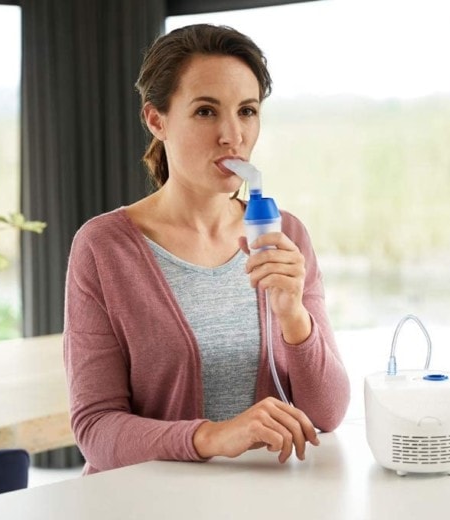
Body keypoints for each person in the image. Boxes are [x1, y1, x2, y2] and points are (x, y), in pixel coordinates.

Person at [63, 23, 350, 475]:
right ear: (156, 120)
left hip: (262, 503)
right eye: (205, 112)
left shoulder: (286, 234)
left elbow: (328, 414)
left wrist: (295, 318)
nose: (232, 135)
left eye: (248, 111)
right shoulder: (103, 248)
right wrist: (213, 436)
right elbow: (96, 430)